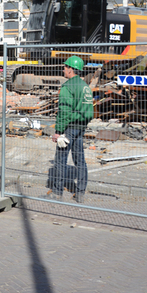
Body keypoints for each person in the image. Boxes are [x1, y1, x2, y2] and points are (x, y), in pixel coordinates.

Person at [47, 56, 93, 203]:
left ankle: (57, 192)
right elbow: (89, 111)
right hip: (80, 127)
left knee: (60, 159)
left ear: (71, 69)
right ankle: (80, 193)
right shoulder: (85, 86)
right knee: (80, 160)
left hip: (69, 128)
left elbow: (64, 111)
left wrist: (58, 131)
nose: (63, 69)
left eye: (65, 67)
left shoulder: (68, 87)